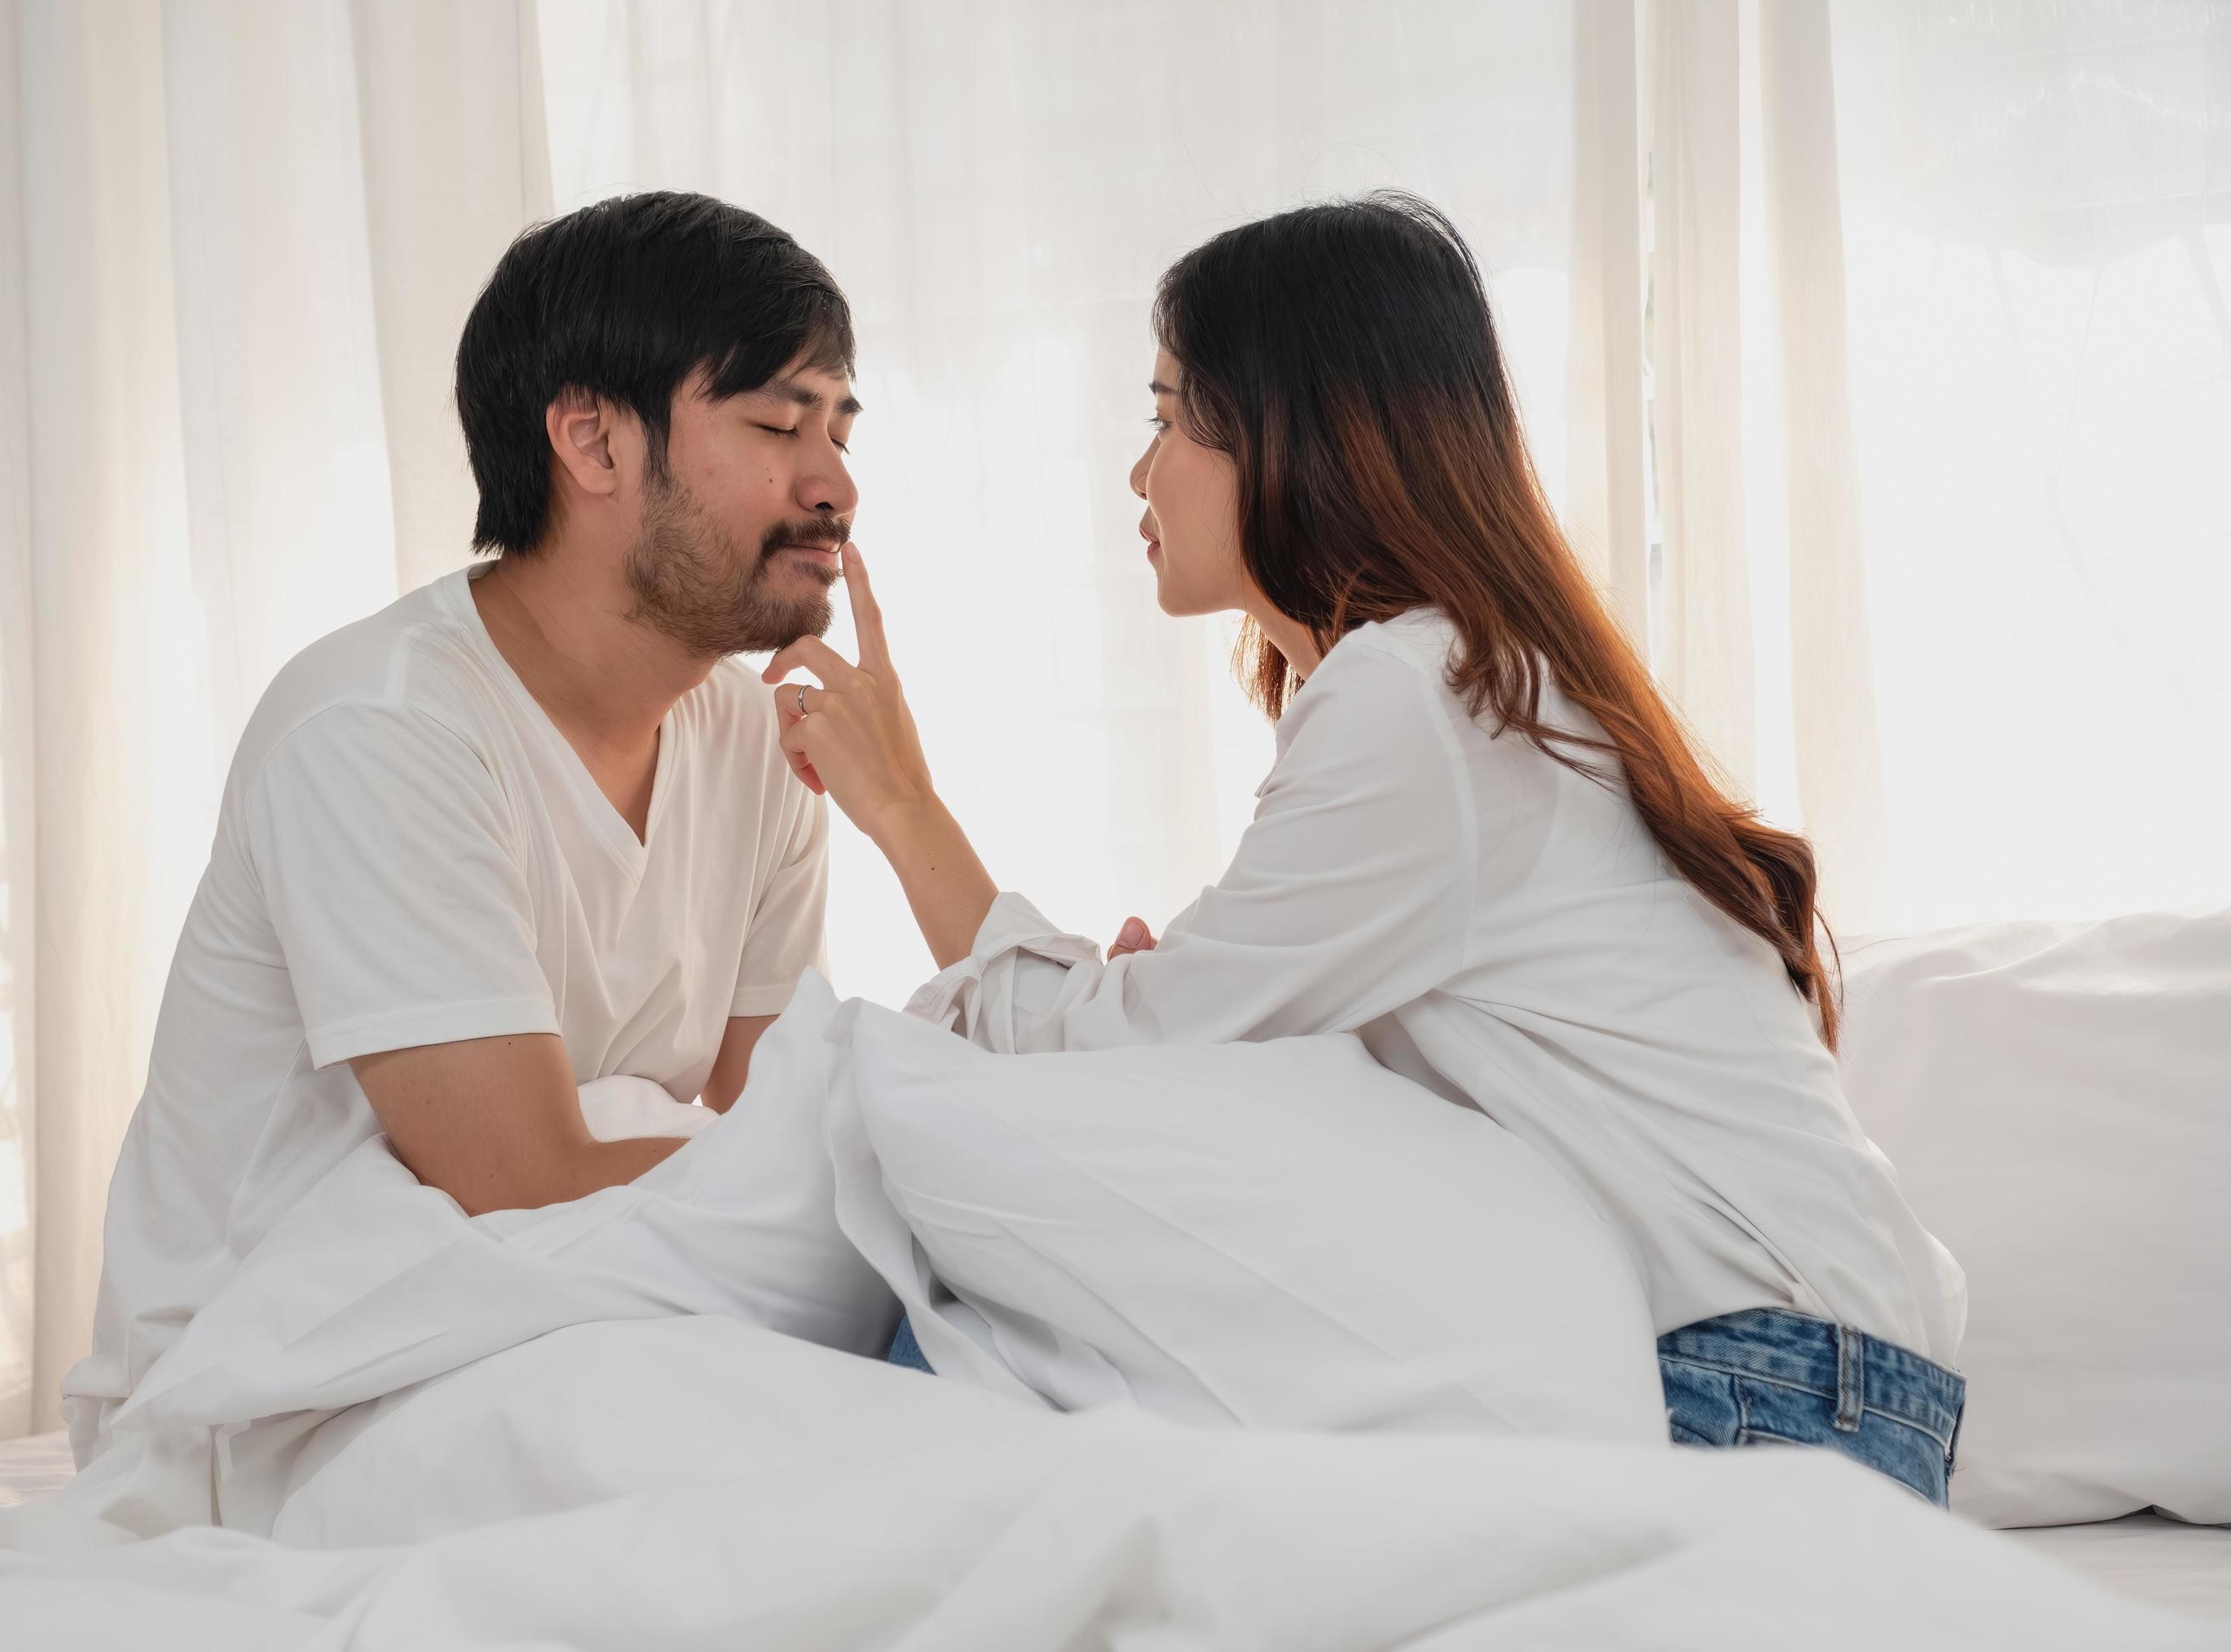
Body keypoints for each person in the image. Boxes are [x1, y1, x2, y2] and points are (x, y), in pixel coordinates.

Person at [769, 194, 1969, 1504]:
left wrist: (905, 813)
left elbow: (1130, 1042)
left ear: (1297, 434)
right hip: (1821, 1383)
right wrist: (1177, 1015)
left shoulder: (1419, 692)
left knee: (1004, 1342)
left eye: (1168, 417)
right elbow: (1183, 1038)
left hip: (1766, 1390)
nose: (1140, 470)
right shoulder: (1469, 680)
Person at [63, 192, 861, 1462]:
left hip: (563, 1317)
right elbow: (522, 1175)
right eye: (777, 423)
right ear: (591, 442)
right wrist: (903, 1178)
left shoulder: (764, 745)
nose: (834, 484)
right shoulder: (379, 728)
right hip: (290, 1385)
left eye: (838, 426)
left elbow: (782, 1121)